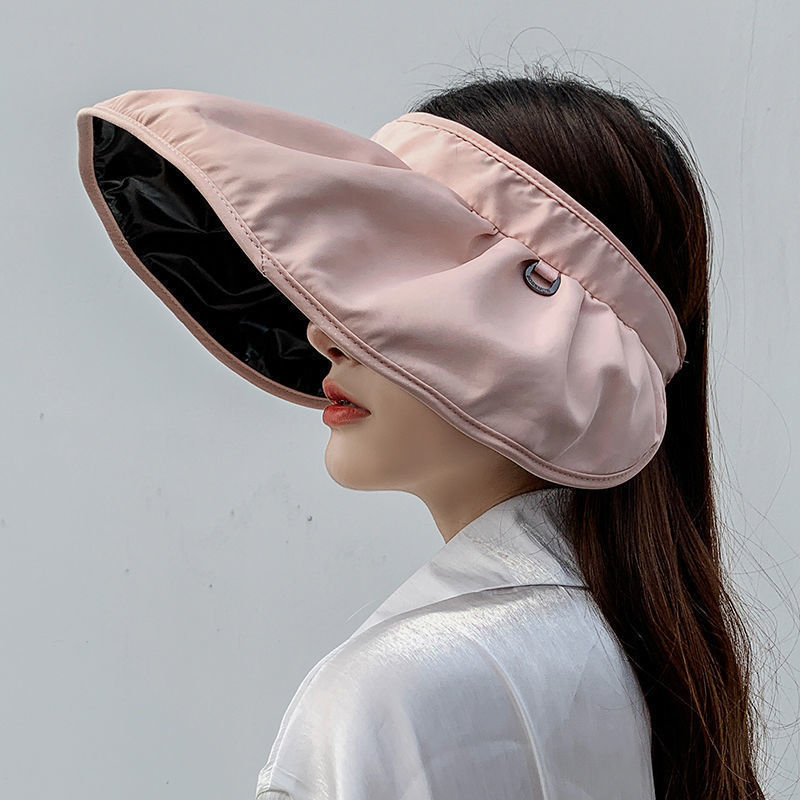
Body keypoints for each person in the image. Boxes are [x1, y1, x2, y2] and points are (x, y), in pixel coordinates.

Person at [75, 65, 767, 799]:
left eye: (405, 288)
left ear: (553, 340)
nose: (323, 333)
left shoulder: (396, 693)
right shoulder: (648, 666)